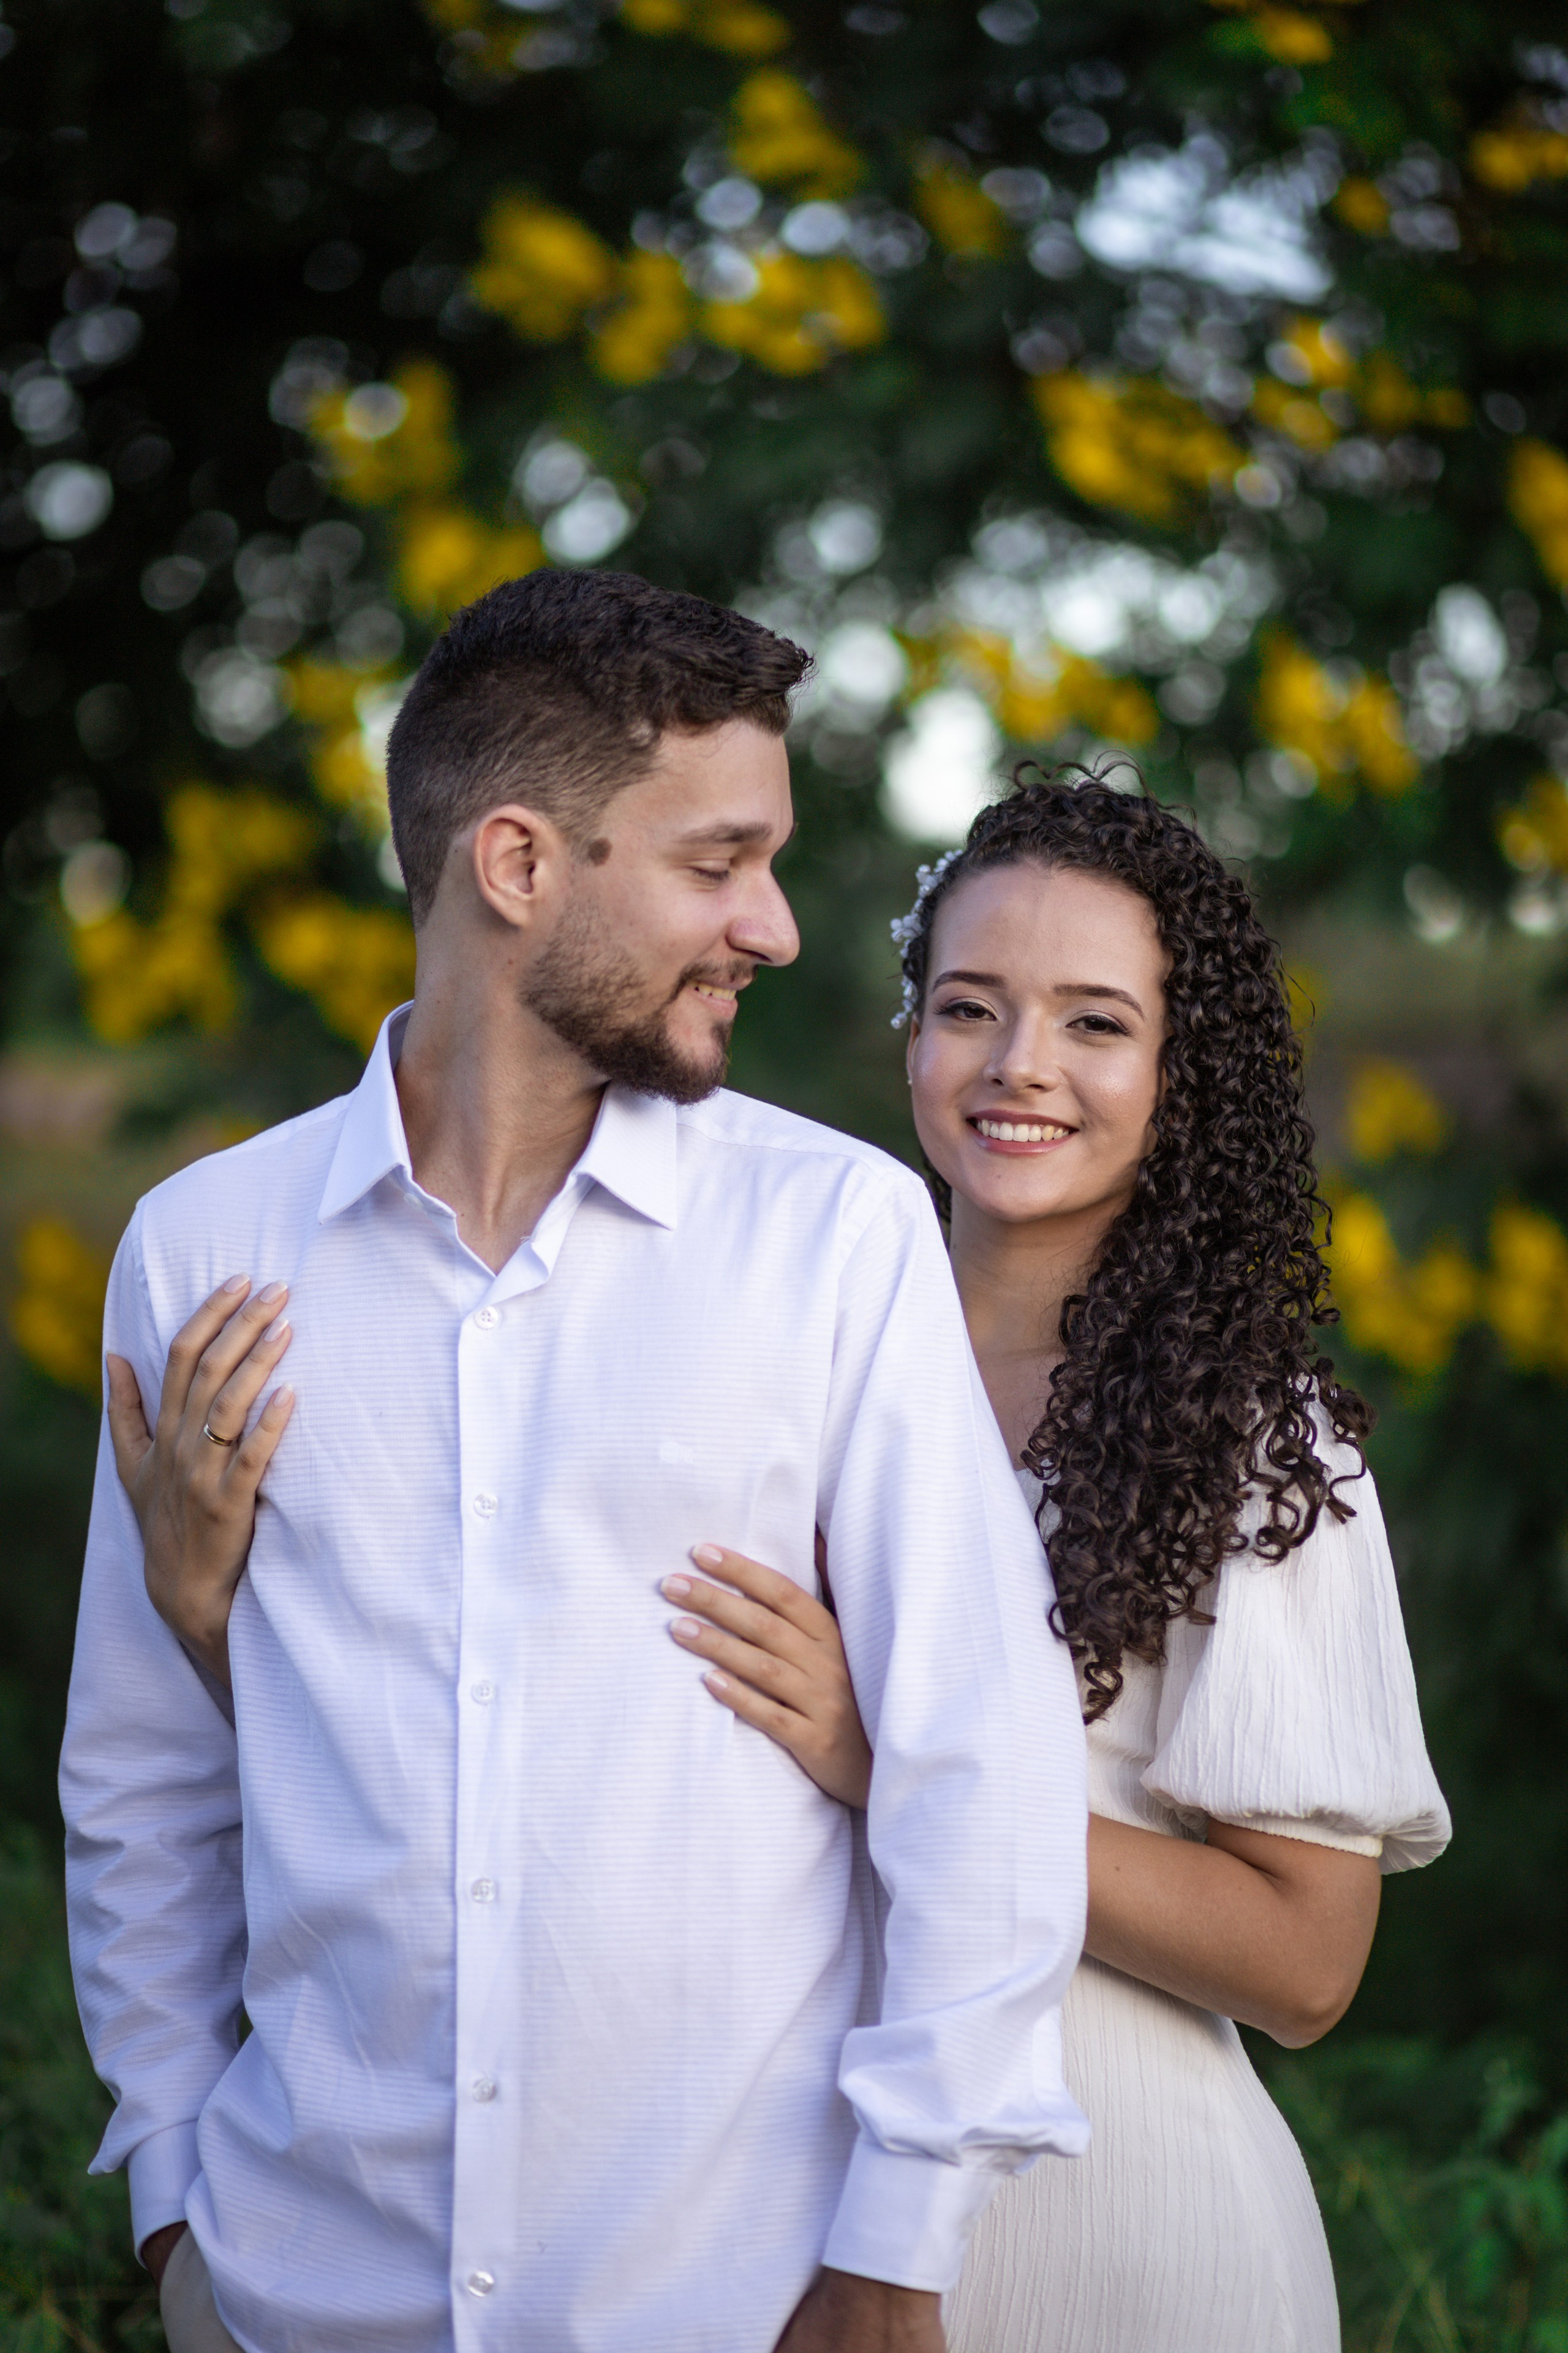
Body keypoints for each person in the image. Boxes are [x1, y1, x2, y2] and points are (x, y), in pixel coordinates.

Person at [61, 571, 1091, 2353]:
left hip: (734, 2303)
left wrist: (895, 2249)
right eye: (718, 864)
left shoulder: (835, 1238)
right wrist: (175, 2213)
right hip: (307, 2299)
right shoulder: (197, 1253)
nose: (773, 926)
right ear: (519, 865)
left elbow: (977, 1770)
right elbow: (143, 1784)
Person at [614, 775, 1452, 2351]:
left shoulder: (1258, 1448)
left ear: (1176, 1070)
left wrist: (900, 1765)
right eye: (970, 1006)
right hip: (772, 2220)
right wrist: (205, 1609)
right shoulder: (770, 1366)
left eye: (1093, 1023)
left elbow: (1304, 1960)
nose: (1017, 1067)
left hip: (1132, 2232)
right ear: (908, 1032)